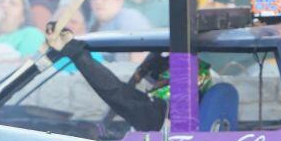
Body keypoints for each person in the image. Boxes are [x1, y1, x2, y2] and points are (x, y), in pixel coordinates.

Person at [45, 21, 211, 131]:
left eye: (157, 78)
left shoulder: (156, 117)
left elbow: (114, 92)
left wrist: (78, 55)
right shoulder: (182, 118)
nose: (150, 84)